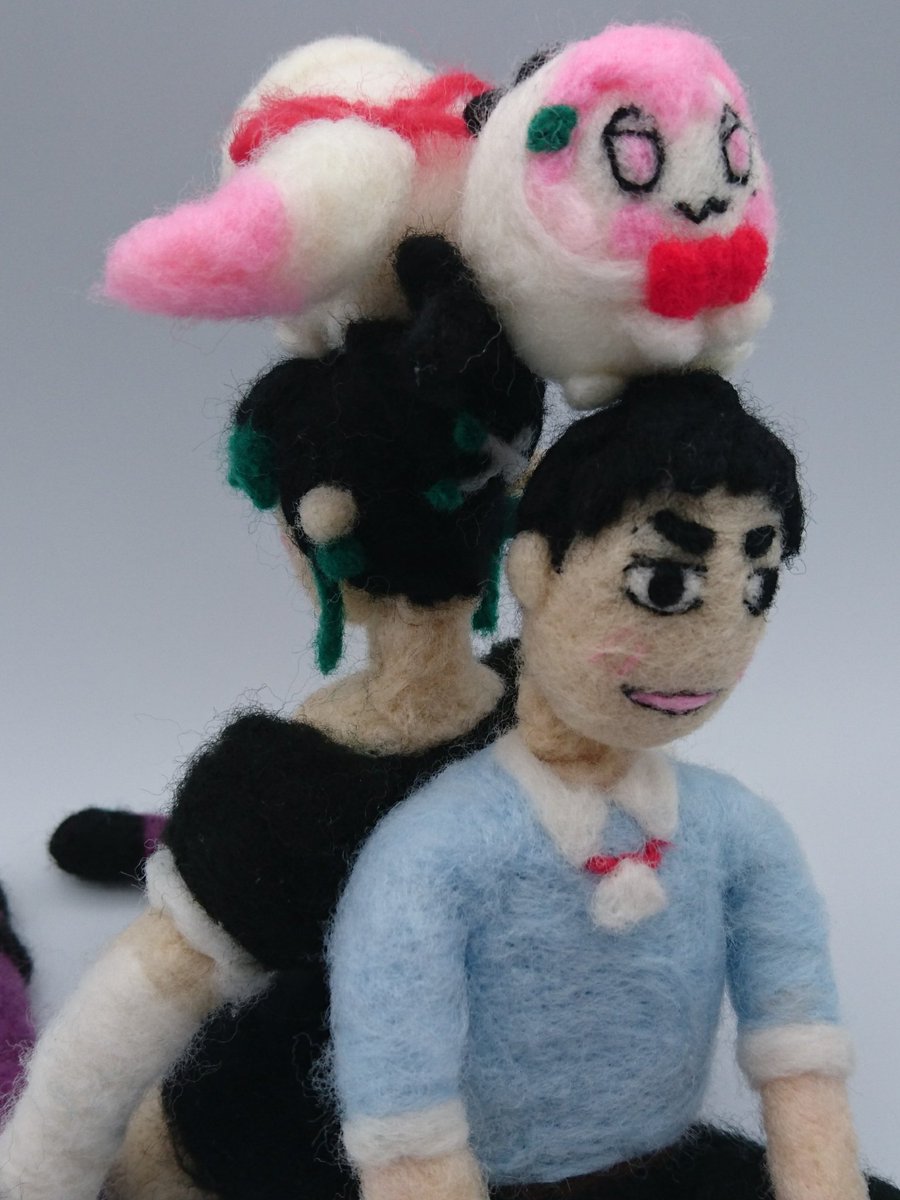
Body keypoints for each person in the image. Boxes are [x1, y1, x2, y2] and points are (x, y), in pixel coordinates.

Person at [0, 236, 543, 1200]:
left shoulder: (285, 793)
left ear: (317, 532)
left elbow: (129, 1013)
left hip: (307, 1134)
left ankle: (172, 861)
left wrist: (38, 1173)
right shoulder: (542, 706)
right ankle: (165, 848)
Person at [328, 371, 898, 1199]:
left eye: (756, 586)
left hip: (666, 1160)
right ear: (535, 571)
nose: (714, 646)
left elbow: (797, 1036)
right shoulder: (434, 852)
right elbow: (401, 1096)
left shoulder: (737, 832)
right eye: (664, 583)